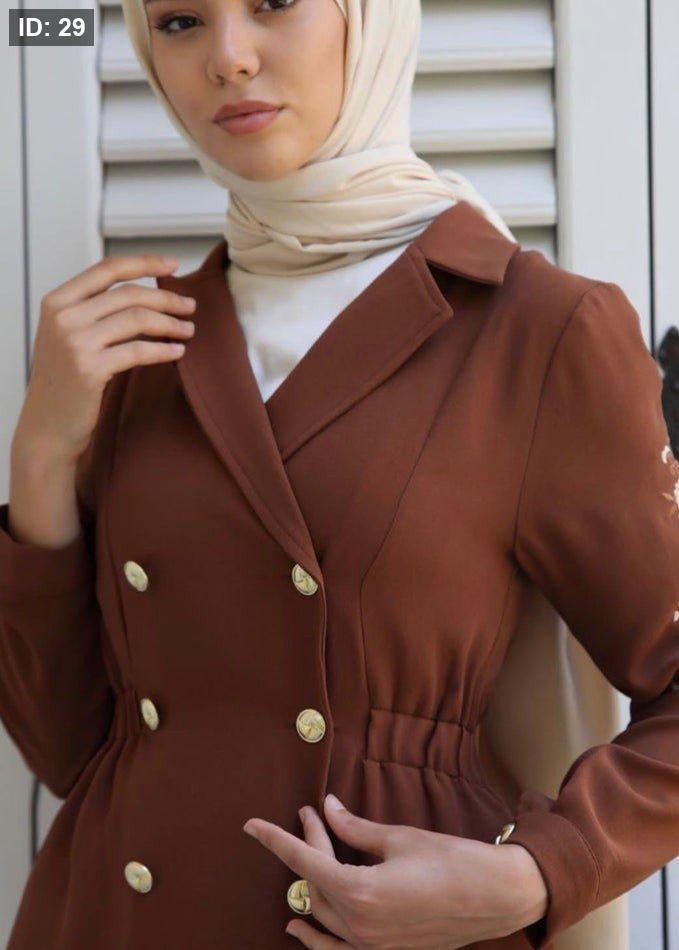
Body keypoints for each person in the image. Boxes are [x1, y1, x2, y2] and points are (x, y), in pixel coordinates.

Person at [0, 0, 677, 947]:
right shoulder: (134, 343)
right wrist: (39, 455)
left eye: (273, 2)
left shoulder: (536, 330)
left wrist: (538, 873)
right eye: (180, 21)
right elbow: (74, 752)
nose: (228, 59)